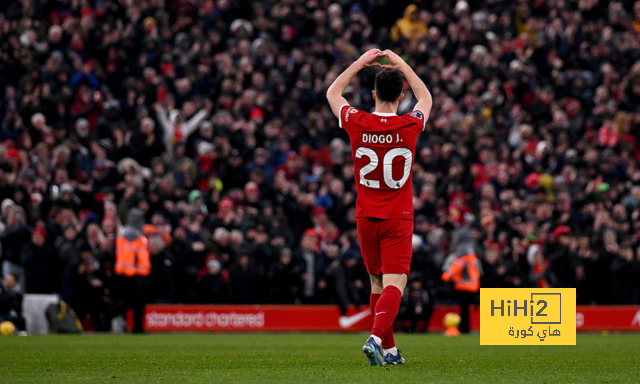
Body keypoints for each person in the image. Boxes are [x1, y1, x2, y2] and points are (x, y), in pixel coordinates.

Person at [326, 49, 432, 366]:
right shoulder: (409, 125)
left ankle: (389, 351)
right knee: (395, 284)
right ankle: (374, 338)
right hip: (397, 218)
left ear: (373, 94)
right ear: (402, 95)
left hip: (365, 216)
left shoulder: (357, 121)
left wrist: (359, 63)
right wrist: (399, 63)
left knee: (377, 283)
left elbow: (332, 92)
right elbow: (425, 96)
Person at [108, 209, 150, 333]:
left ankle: (138, 327)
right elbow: (135, 255)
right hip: (132, 273)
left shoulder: (123, 233)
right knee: (134, 301)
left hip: (128, 272)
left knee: (134, 302)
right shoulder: (133, 235)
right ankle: (108, 315)